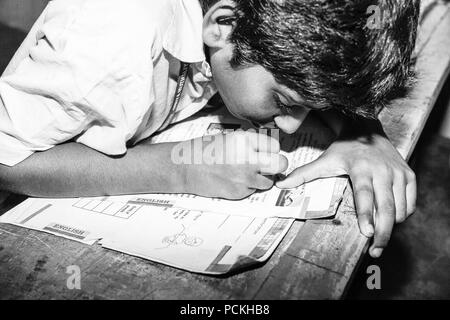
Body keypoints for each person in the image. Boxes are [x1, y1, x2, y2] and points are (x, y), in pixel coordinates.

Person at [0, 0, 420, 258]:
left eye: (314, 107)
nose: (294, 123)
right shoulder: (111, 38)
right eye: (286, 102)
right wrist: (182, 168)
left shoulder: (246, 28)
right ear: (225, 25)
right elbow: (6, 162)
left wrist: (367, 135)